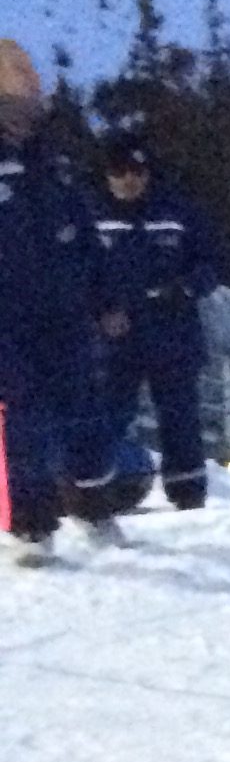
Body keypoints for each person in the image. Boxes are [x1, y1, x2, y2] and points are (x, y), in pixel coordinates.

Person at [0, 37, 108, 565]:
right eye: (10, 101)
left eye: (28, 99)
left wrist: (106, 298)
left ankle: (91, 504)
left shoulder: (55, 161)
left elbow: (87, 234)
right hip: (8, 318)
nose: (22, 110)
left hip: (65, 311)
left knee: (83, 410)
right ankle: (32, 527)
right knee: (25, 414)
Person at [90, 132, 226, 512]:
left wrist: (185, 289)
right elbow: (73, 272)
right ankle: (100, 492)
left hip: (173, 335)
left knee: (180, 417)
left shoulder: (178, 212)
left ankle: (188, 496)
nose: (128, 180)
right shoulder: (90, 215)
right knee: (108, 415)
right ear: (106, 174)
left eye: (137, 171)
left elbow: (213, 262)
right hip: (115, 340)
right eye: (120, 171)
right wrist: (100, 312)